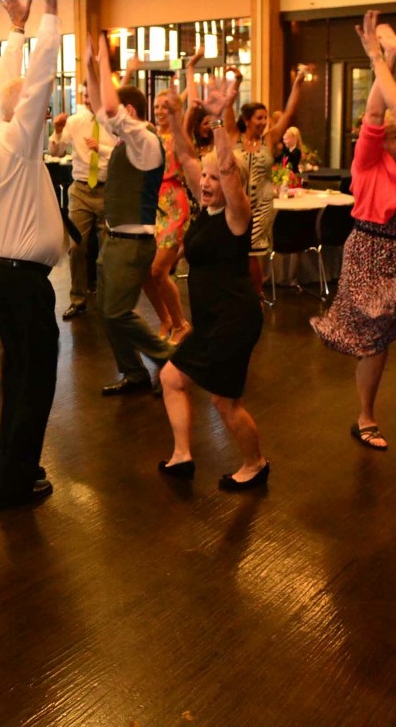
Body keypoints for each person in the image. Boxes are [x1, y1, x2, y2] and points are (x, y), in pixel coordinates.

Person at [0, 0, 63, 510]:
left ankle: (6, 451)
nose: (43, 111)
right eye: (40, 110)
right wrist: (48, 17)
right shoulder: (15, 142)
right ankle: (13, 482)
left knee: (16, 367)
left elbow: (7, 89)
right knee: (38, 382)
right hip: (22, 284)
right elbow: (36, 81)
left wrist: (16, 29)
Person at [157, 80, 267, 490]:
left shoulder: (236, 215)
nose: (205, 183)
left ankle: (255, 464)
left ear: (230, 183)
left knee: (224, 401)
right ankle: (183, 455)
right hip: (210, 324)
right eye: (203, 178)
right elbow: (185, 153)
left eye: (213, 179)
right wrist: (174, 117)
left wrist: (219, 120)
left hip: (235, 320)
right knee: (171, 378)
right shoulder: (206, 207)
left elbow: (226, 167)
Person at [329, 9, 396, 436]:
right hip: (370, 253)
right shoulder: (370, 159)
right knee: (375, 341)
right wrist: (383, 60)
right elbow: (378, 109)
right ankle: (366, 416)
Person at [87, 33, 173, 396]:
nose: (113, 117)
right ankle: (134, 373)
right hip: (115, 240)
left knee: (117, 312)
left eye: (120, 111)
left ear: (130, 113)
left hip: (133, 243)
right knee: (107, 311)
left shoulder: (146, 142)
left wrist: (106, 61)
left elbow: (108, 109)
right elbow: (99, 107)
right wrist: (91, 66)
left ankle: (172, 360)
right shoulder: (128, 141)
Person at [225, 70, 308, 299]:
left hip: (262, 204)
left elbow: (289, 112)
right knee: (235, 250)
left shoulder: (269, 139)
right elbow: (226, 107)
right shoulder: (234, 136)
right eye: (259, 118)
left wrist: (298, 83)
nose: (264, 122)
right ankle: (238, 294)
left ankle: (257, 296)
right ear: (246, 120)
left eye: (265, 118)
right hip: (236, 203)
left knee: (252, 251)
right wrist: (237, 82)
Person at [48, 81, 115, 320]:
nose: (88, 99)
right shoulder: (75, 122)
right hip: (81, 190)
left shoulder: (115, 120)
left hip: (109, 189)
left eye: (92, 94)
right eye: (85, 94)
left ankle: (108, 300)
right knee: (76, 247)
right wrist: (56, 130)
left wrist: (103, 148)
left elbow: (126, 151)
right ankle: (78, 299)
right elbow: (56, 153)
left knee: (108, 251)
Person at [143, 89, 191, 343]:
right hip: (151, 204)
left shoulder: (180, 137)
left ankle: (181, 324)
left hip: (174, 203)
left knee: (158, 269)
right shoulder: (150, 135)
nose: (160, 110)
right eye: (157, 106)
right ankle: (166, 319)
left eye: (166, 106)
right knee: (144, 272)